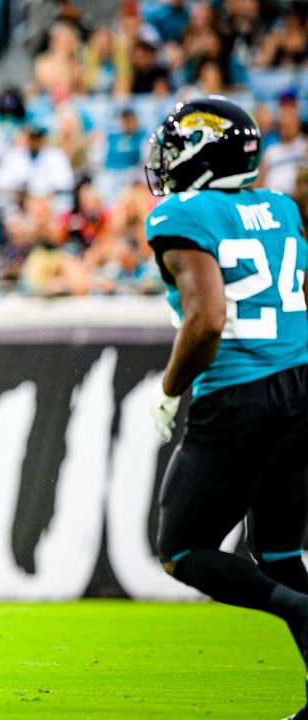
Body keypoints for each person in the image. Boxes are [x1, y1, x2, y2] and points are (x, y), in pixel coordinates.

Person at [144, 96, 308, 718]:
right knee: (282, 554)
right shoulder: (281, 207)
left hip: (238, 393)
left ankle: (302, 611)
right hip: (299, 383)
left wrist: (169, 389)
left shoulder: (182, 213)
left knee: (182, 550)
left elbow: (208, 320)